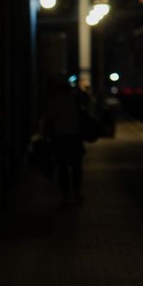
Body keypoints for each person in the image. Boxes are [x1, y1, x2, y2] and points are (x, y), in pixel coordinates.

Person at [41, 76, 88, 205]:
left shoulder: (52, 101)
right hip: (74, 137)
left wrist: (45, 137)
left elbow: (48, 120)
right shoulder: (74, 98)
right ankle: (77, 193)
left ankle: (65, 195)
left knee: (62, 167)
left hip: (60, 137)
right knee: (76, 167)